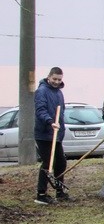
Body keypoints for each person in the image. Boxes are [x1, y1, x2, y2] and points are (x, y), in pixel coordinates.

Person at [34, 67, 68, 205]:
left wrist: (60, 127)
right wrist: (50, 122)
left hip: (56, 133)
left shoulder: (59, 93)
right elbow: (40, 110)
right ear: (49, 77)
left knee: (61, 162)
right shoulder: (41, 91)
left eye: (59, 80)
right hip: (44, 133)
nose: (56, 82)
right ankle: (41, 194)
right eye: (54, 79)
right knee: (48, 164)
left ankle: (59, 191)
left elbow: (62, 112)